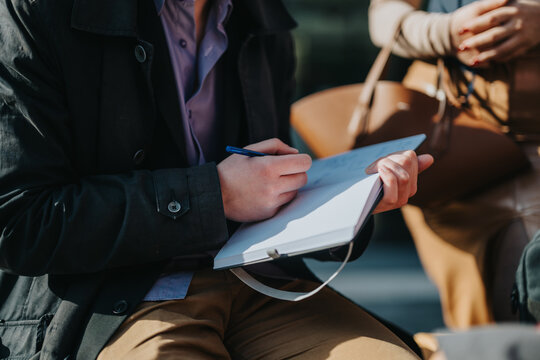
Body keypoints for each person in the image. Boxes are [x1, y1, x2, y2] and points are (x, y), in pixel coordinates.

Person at [0, 0, 433, 359]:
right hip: (113, 300)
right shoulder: (37, 11)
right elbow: (18, 223)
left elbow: (261, 185)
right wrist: (216, 195)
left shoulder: (261, 16)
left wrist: (351, 202)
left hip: (263, 284)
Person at [369, 0, 540, 328]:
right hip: (450, 136)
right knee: (471, 308)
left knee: (527, 291)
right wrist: (449, 31)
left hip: (531, 131)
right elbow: (384, 16)